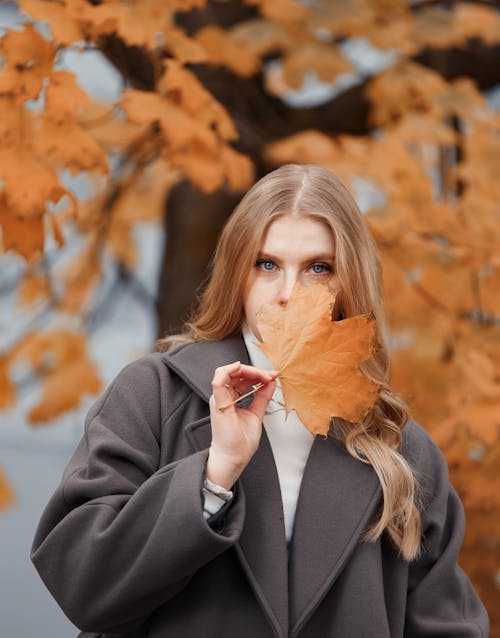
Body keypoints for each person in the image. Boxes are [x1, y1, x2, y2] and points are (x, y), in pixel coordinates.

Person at [31, 163, 489, 638]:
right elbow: (82, 585)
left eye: (318, 268)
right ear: (238, 272)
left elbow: (447, 625)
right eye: (267, 264)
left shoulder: (400, 448)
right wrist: (212, 477)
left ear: (350, 282)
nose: (288, 294)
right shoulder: (152, 395)